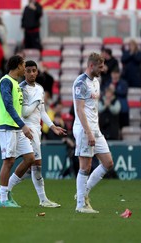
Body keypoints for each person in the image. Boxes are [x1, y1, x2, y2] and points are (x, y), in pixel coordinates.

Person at [16, 60, 66, 206]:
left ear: (37, 72)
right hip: (27, 129)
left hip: (37, 130)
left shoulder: (39, 88)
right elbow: (24, 113)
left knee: (33, 165)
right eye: (29, 70)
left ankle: (4, 190)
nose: (32, 73)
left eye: (34, 70)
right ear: (24, 72)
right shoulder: (21, 89)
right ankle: (43, 199)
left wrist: (52, 126)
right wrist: (36, 102)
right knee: (35, 164)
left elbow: (42, 111)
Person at [72, 53, 114, 213]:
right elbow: (80, 109)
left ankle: (83, 193)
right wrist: (88, 133)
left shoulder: (96, 81)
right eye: (100, 67)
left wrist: (94, 131)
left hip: (95, 129)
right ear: (91, 66)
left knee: (108, 163)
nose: (102, 69)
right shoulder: (80, 83)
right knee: (85, 166)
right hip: (84, 129)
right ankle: (81, 205)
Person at [0, 55, 35, 208]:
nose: (25, 68)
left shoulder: (15, 83)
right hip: (7, 126)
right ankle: (4, 199)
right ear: (18, 66)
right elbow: (8, 105)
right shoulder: (6, 82)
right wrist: (23, 125)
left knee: (30, 158)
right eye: (24, 65)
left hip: (16, 127)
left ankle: (5, 190)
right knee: (9, 161)